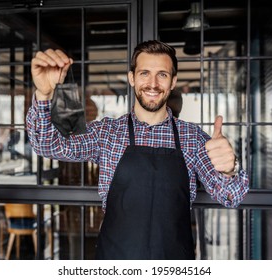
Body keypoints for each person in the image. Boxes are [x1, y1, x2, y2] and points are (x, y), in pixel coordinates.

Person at [26, 40, 249, 260]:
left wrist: (230, 169)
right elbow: (48, 145)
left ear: (173, 82)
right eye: (144, 73)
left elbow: (230, 196)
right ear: (132, 78)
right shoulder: (107, 133)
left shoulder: (193, 138)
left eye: (162, 74)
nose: (153, 83)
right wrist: (43, 94)